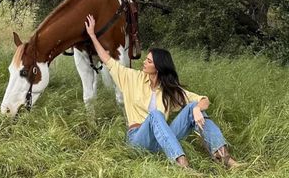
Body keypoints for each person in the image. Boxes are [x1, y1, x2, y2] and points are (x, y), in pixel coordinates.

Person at [85, 14, 240, 169]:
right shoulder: (131, 78)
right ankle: (183, 166)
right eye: (146, 59)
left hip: (163, 141)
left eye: (149, 61)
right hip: (138, 140)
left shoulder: (169, 90)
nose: (144, 62)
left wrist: (197, 109)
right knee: (155, 115)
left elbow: (204, 99)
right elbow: (107, 60)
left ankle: (224, 157)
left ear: (158, 68)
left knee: (194, 108)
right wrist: (92, 34)